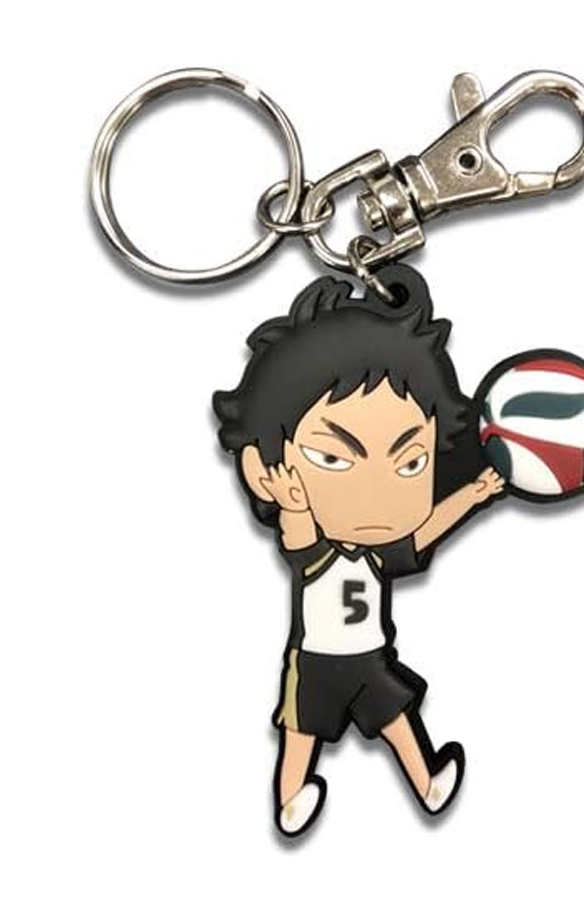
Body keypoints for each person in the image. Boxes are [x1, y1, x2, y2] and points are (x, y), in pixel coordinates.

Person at [213, 266, 504, 837]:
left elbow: (424, 531)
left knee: (399, 719)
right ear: (266, 471)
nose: (376, 492)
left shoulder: (377, 551)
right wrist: (291, 497)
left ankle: (428, 782)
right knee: (300, 734)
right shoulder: (312, 544)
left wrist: (471, 494)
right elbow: (297, 523)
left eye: (411, 462)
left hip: (370, 657)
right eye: (333, 458)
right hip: (316, 661)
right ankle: (290, 800)